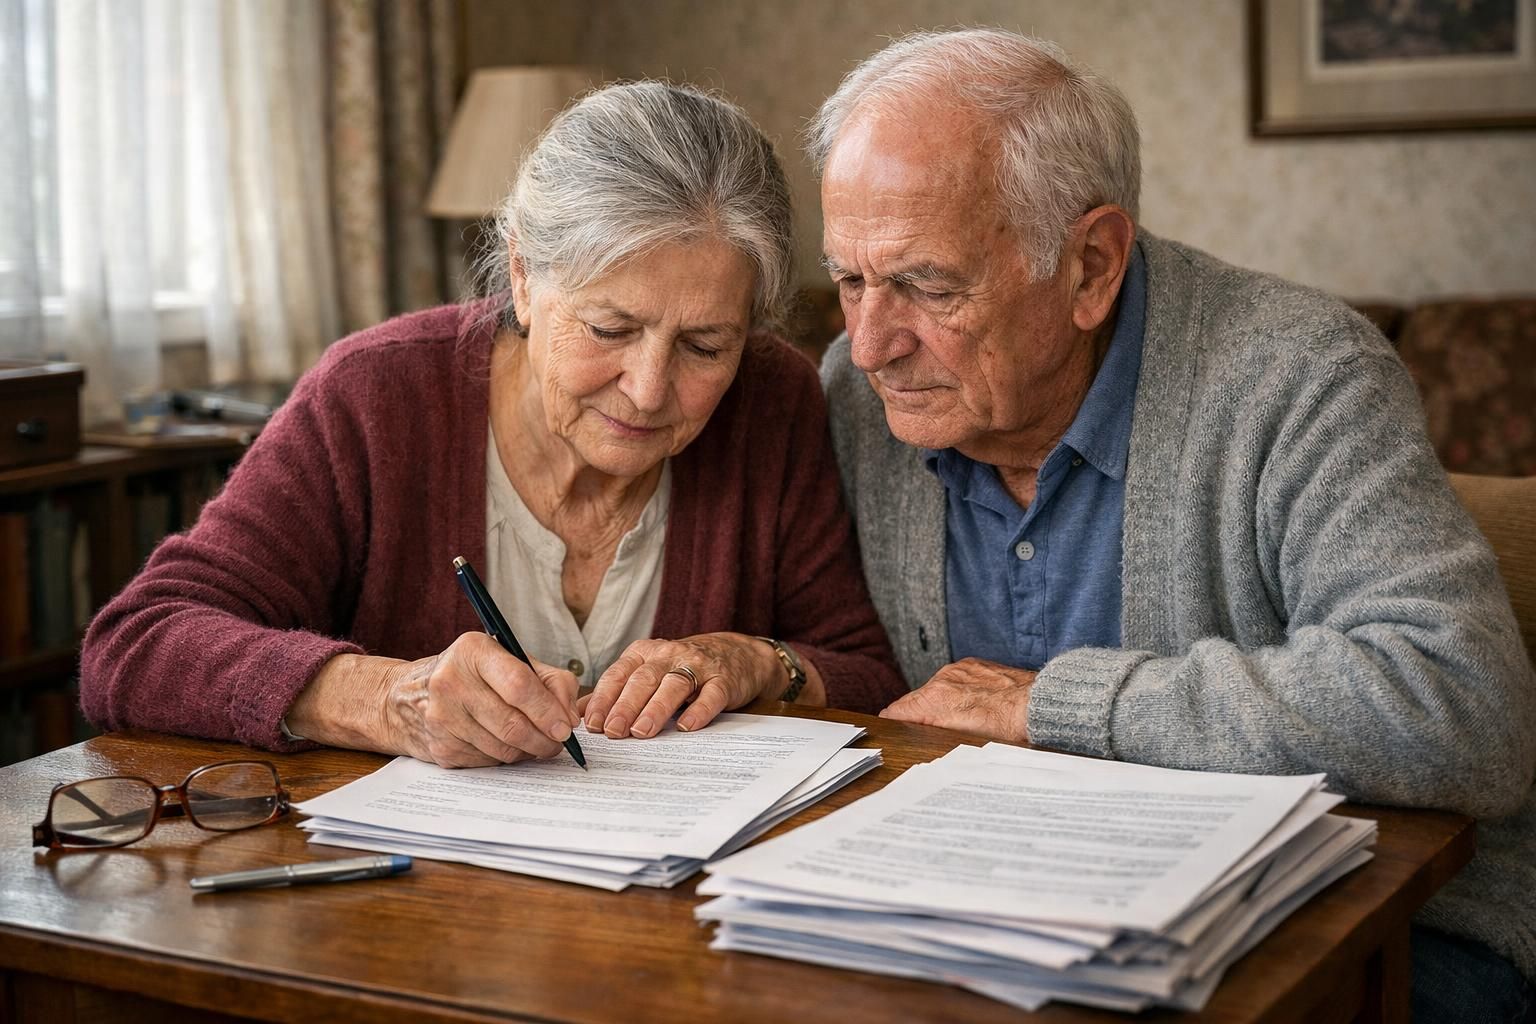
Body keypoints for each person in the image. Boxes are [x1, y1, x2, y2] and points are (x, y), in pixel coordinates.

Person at [812, 28, 1536, 1023]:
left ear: (1091, 265)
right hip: (1020, 917)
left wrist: (1049, 707)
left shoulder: (1297, 376)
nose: (871, 342)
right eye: (850, 279)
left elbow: (1463, 708)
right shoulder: (855, 399)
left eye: (928, 287)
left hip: (1387, 924)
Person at [81, 81, 903, 770]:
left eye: (704, 345)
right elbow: (136, 645)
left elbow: (866, 669)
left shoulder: (773, 400)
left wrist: (759, 662)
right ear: (520, 276)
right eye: (609, 330)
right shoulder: (378, 396)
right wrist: (384, 700)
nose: (650, 391)